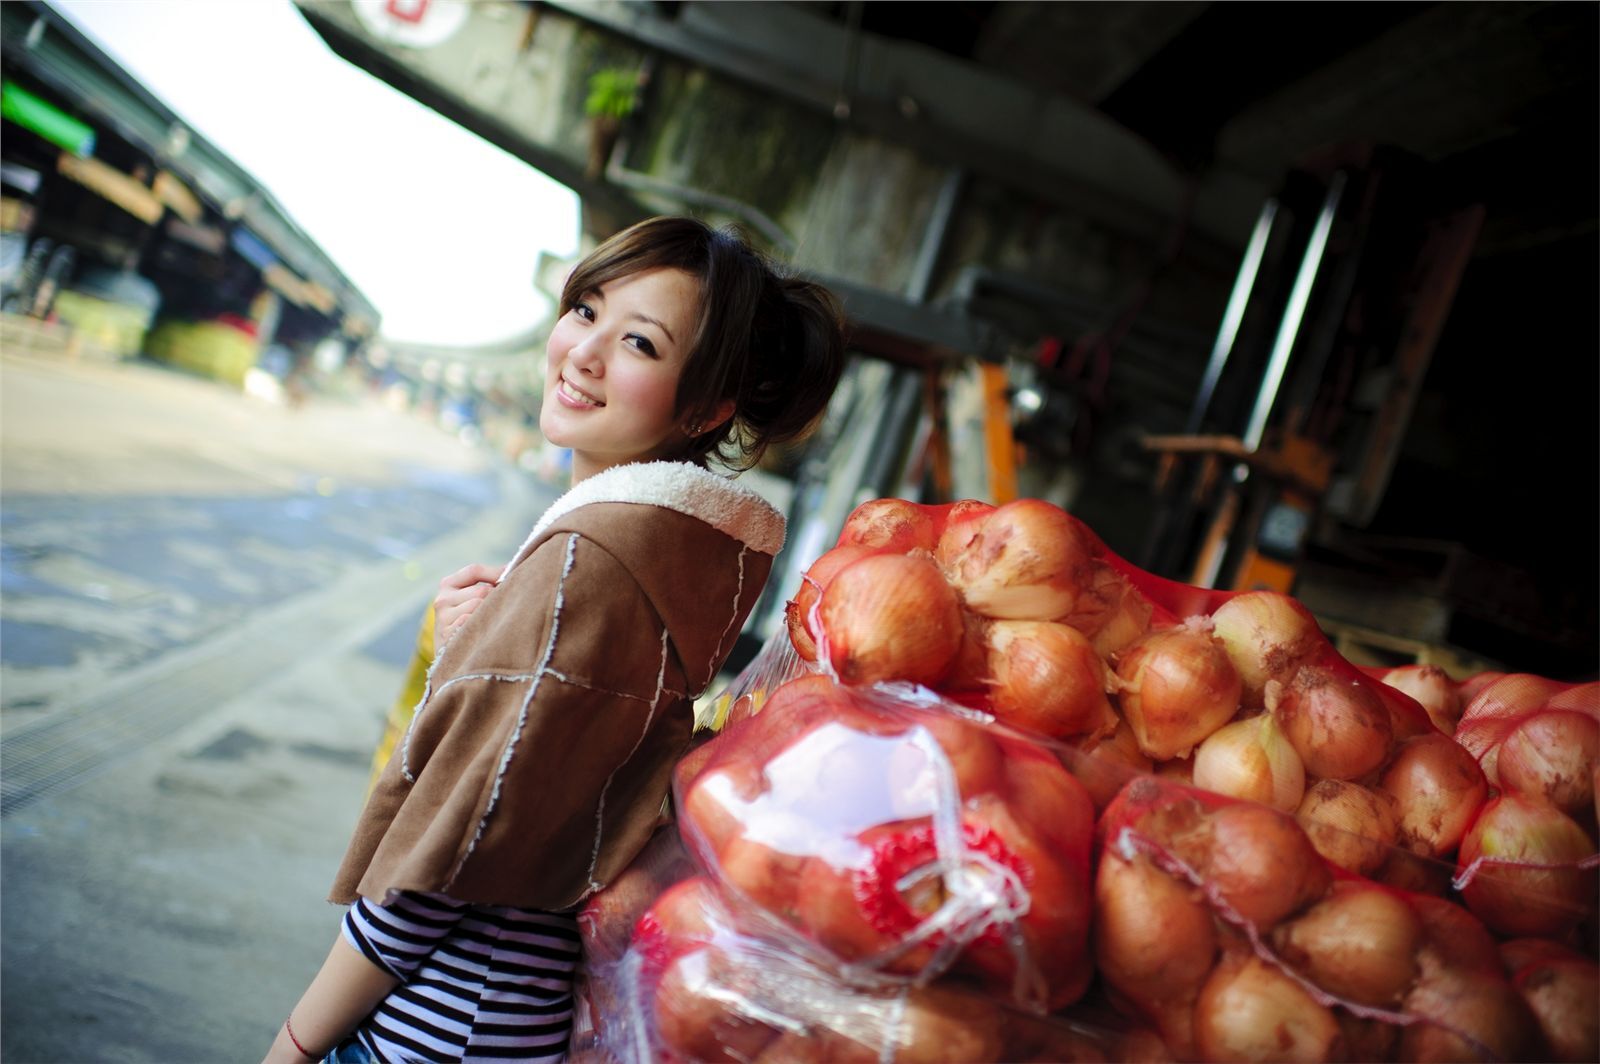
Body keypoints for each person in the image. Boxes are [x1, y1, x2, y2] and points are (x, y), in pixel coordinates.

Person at [264, 216, 845, 1063]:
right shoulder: (663, 558)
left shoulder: (592, 565)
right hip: (504, 1017)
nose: (583, 351)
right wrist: (481, 650)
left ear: (708, 407)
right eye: (585, 310)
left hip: (437, 1022)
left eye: (639, 342)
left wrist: (292, 1043)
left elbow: (452, 852)